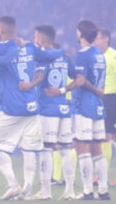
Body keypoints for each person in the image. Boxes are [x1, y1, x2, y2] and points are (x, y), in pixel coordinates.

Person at [0, 16, 64, 200]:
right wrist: (62, 51)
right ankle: (27, 189)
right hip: (32, 108)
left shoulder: (6, 46)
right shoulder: (30, 47)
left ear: (1, 30)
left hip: (12, 108)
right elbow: (52, 54)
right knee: (29, 149)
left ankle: (14, 185)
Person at [46, 20, 109, 200]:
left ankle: (88, 191)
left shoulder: (83, 54)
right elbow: (101, 84)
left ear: (80, 33)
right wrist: (98, 91)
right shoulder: (99, 54)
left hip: (84, 106)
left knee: (83, 149)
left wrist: (62, 90)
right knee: (97, 149)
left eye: (77, 31)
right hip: (98, 106)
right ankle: (103, 190)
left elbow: (80, 80)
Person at [24, 25, 76, 200]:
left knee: (45, 149)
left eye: (35, 35)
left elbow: (38, 78)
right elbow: (80, 77)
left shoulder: (43, 58)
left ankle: (45, 191)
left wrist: (29, 85)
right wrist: (63, 90)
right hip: (64, 108)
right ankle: (69, 190)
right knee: (65, 149)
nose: (34, 38)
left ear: (42, 38)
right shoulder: (64, 57)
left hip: (47, 108)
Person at [94, 28, 116, 186]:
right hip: (100, 98)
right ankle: (101, 176)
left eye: (97, 39)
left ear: (106, 39)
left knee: (110, 136)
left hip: (112, 98)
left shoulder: (113, 56)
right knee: (104, 137)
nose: (95, 41)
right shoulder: (96, 56)